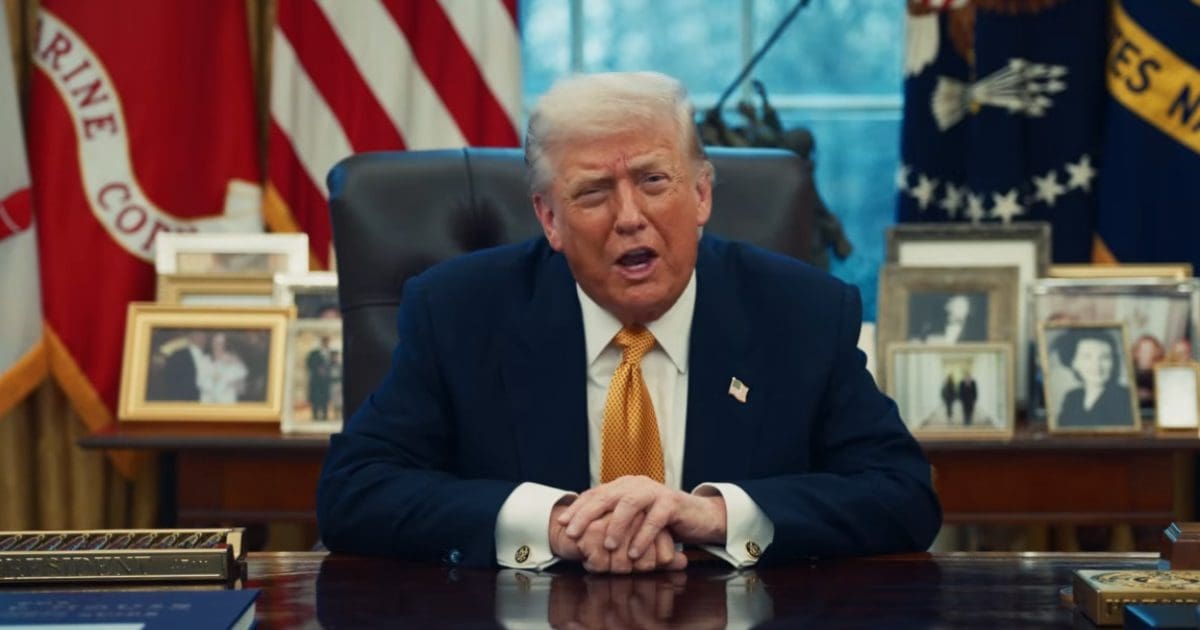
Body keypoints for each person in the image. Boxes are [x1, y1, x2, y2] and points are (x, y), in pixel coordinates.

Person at [316, 72, 941, 573]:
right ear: (549, 219)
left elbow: (902, 494)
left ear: (701, 194)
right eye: (592, 193)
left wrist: (715, 516)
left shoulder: (801, 313)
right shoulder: (459, 312)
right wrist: (555, 524)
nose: (630, 217)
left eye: (654, 180)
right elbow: (355, 491)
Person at [1054, 329, 1135, 427]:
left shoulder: (1125, 397)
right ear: (1074, 363)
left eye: (1105, 357)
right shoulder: (1072, 398)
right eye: (1087, 357)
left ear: (1114, 362)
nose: (1096, 366)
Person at [911, 293, 986, 344]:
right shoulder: (931, 325)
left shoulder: (975, 332)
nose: (961, 310)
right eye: (958, 305)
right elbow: (920, 340)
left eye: (964, 307)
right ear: (948, 306)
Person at [197, 332, 248, 404]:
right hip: (208, 401)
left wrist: (236, 361)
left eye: (221, 343)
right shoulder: (204, 360)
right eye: (216, 342)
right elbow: (200, 382)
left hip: (227, 401)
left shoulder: (232, 359)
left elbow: (241, 382)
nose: (218, 346)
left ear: (225, 345)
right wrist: (214, 380)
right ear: (211, 343)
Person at [158, 331, 208, 401]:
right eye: (198, 334)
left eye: (204, 335)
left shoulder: (208, 356)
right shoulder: (177, 356)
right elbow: (170, 384)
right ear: (191, 336)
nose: (203, 338)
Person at [307, 337, 334, 420]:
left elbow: (335, 365)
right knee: (316, 398)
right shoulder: (314, 353)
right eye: (324, 342)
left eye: (327, 342)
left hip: (326, 381)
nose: (326, 344)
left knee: (325, 399)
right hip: (316, 381)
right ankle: (315, 415)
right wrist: (317, 369)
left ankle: (325, 416)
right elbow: (309, 364)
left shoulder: (331, 353)